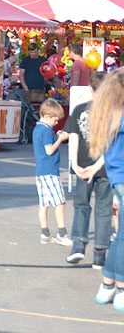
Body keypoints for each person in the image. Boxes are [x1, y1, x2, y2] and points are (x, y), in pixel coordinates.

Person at [66, 71, 112, 267]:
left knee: (81, 205)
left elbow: (73, 137)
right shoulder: (115, 113)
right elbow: (113, 144)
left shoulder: (79, 109)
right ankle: (100, 252)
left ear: (91, 90)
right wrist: (97, 165)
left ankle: (78, 244)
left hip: (83, 165)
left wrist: (74, 164)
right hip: (106, 167)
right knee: (104, 209)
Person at [89, 68, 124, 308]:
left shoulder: (107, 112)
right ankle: (119, 286)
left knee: (121, 234)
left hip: (117, 175)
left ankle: (109, 284)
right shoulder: (119, 115)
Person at [32, 98, 72, 246]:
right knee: (59, 203)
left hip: (41, 172)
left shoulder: (38, 128)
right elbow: (49, 150)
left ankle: (45, 234)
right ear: (47, 117)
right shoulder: (47, 130)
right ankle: (62, 234)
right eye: (55, 120)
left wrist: (57, 136)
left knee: (44, 204)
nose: (56, 123)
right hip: (50, 172)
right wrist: (60, 139)